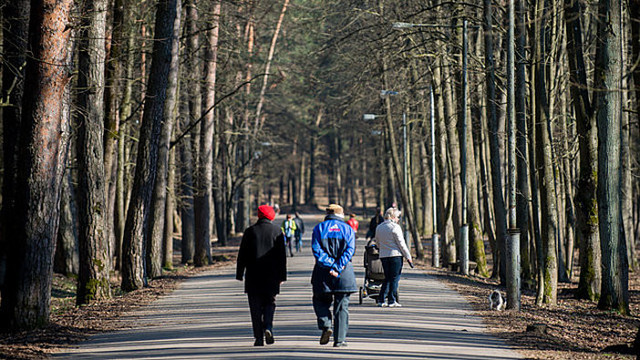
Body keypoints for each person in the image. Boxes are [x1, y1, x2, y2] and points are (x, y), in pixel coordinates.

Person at [236, 205, 287, 346]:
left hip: (253, 276)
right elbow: (281, 256)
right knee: (270, 303)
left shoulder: (250, 231)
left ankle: (258, 338)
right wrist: (282, 276)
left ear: (259, 215)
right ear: (271, 216)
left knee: (255, 308)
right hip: (272, 276)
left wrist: (240, 274)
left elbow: (242, 255)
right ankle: (268, 326)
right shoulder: (277, 231)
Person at [311, 204, 357, 347]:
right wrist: (337, 266)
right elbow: (350, 250)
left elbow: (317, 250)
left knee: (320, 300)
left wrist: (330, 264)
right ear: (340, 214)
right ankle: (340, 339)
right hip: (344, 273)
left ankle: (326, 325)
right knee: (342, 306)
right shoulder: (347, 229)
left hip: (322, 273)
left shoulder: (319, 228)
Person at [374, 207, 413, 308]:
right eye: (397, 217)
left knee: (387, 278)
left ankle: (381, 299)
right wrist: (408, 256)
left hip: (383, 255)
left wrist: (382, 248)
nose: (398, 219)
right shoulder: (395, 227)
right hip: (395, 255)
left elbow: (377, 242)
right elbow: (401, 244)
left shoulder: (379, 227)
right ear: (392, 217)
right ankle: (391, 300)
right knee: (395, 278)